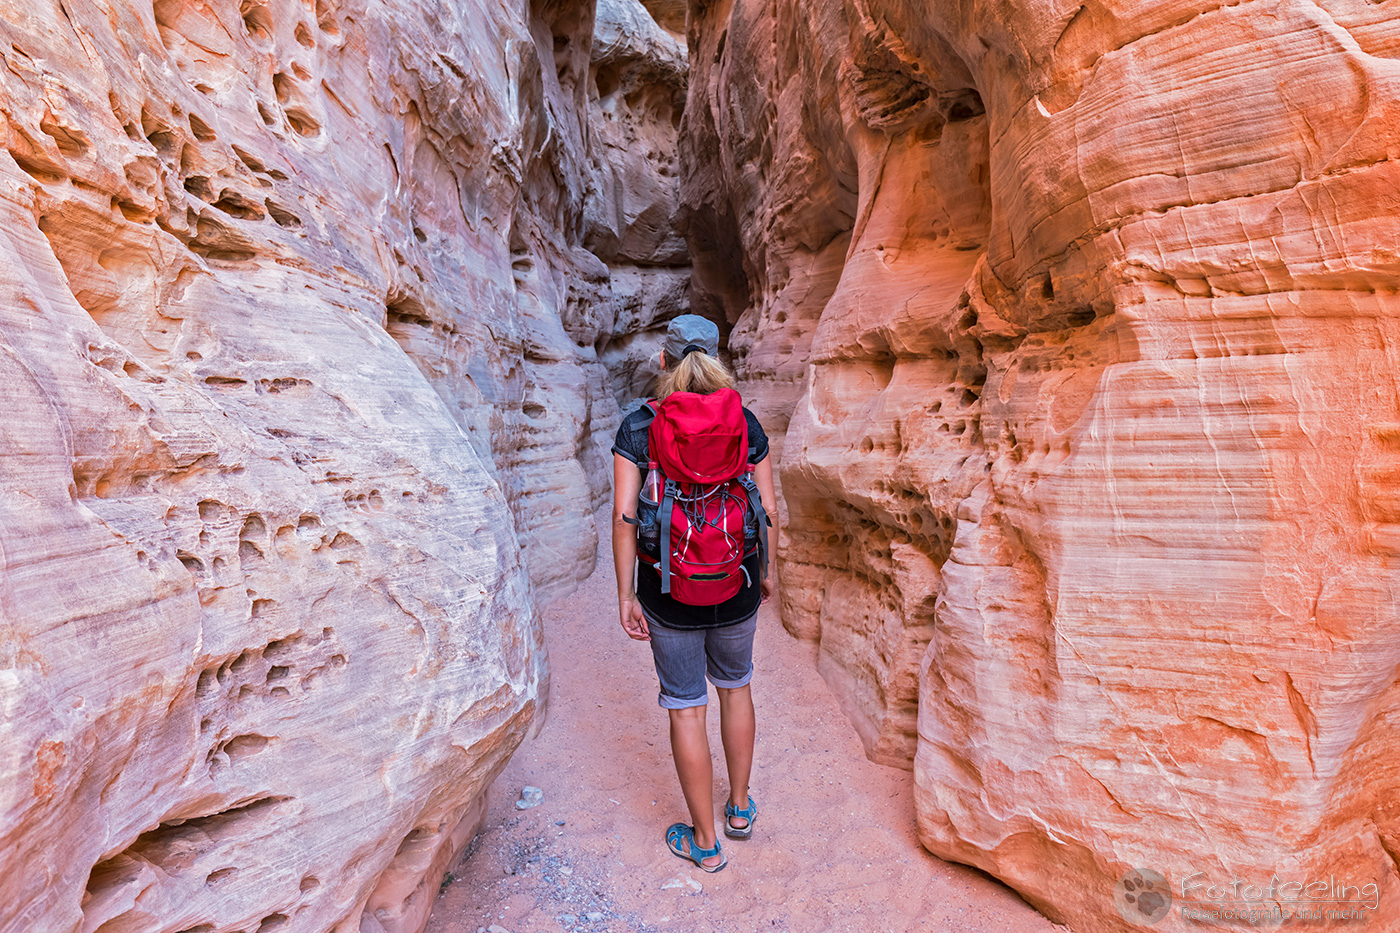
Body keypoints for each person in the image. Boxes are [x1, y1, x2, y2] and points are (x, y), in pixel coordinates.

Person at [610, 315, 779, 873]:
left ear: (664, 361)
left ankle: (704, 842)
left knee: (686, 708)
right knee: (737, 687)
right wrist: (768, 572)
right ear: (717, 362)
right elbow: (767, 510)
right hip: (737, 580)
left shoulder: (639, 427)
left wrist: (626, 595)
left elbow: (624, 516)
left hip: (666, 587)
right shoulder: (746, 423)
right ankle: (738, 811)